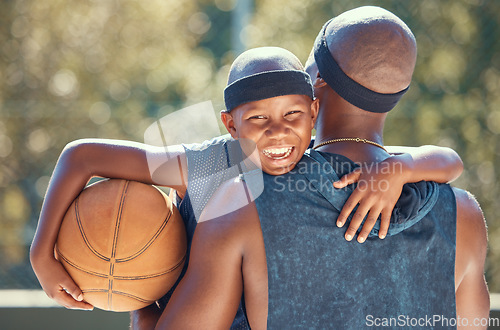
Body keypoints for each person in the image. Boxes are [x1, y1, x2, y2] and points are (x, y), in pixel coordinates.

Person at [29, 45, 461, 328]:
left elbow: (449, 161)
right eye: (257, 119)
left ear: (313, 112)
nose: (277, 133)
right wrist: (41, 253)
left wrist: (401, 169)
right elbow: (81, 156)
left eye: (291, 115)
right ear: (230, 124)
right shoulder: (214, 162)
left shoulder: (316, 157)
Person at [153, 6, 489, 329]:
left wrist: (142, 299)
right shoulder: (464, 215)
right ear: (398, 91)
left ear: (314, 80)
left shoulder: (241, 200)